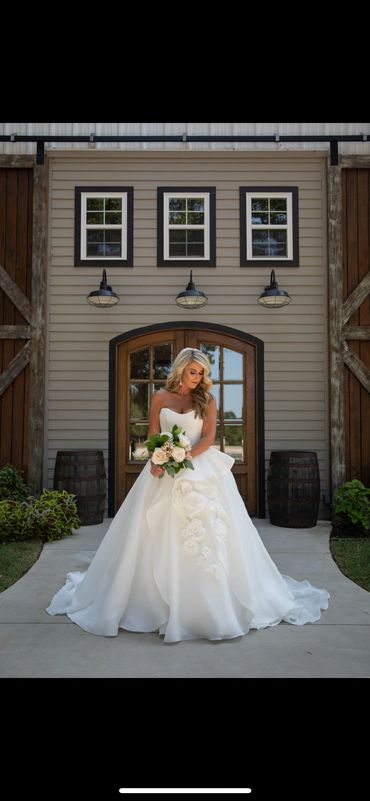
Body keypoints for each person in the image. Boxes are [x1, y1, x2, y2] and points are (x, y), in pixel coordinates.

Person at [46, 347, 329, 642]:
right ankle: (147, 600)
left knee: (208, 533)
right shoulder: (159, 398)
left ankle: (208, 604)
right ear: (180, 370)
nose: (197, 377)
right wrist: (159, 460)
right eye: (193, 371)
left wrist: (184, 457)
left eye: (202, 372)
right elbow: (153, 433)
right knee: (150, 531)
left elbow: (208, 437)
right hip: (162, 468)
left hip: (198, 465)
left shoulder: (207, 399)